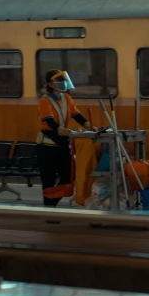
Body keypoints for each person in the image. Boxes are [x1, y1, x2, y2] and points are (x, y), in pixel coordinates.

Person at [36, 69, 93, 207]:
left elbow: (76, 114)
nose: (63, 82)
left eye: (63, 79)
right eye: (59, 80)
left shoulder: (67, 98)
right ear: (50, 84)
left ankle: (52, 202)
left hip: (61, 143)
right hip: (46, 146)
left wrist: (88, 125)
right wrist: (60, 129)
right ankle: (49, 208)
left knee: (69, 176)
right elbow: (49, 121)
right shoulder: (45, 101)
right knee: (48, 180)